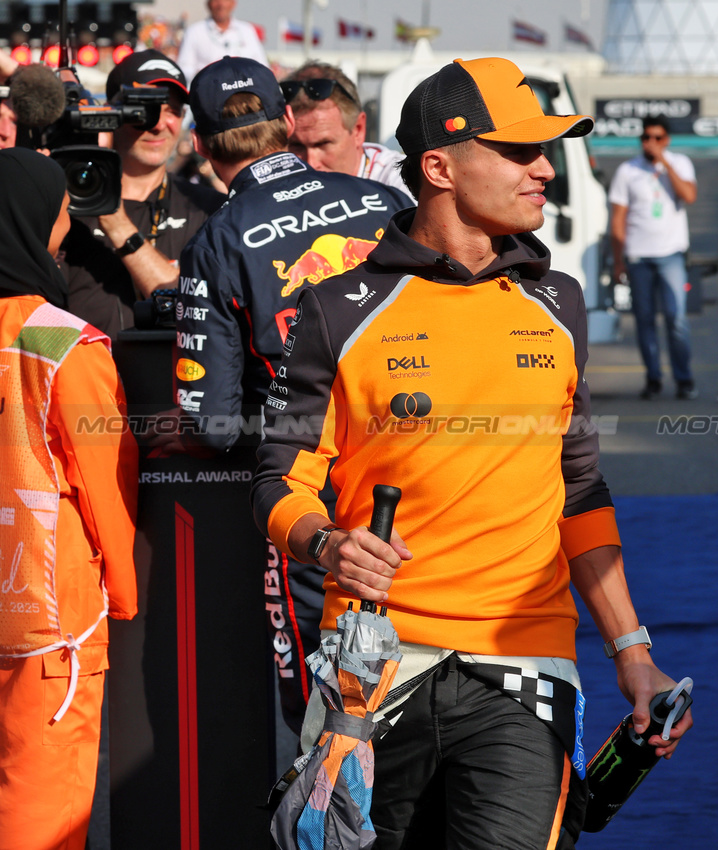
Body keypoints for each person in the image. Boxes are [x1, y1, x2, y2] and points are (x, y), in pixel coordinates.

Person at [252, 56, 692, 849]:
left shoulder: (556, 302)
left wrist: (634, 653)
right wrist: (324, 541)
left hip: (524, 667)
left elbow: (580, 491)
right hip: (372, 667)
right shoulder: (337, 307)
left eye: (544, 151)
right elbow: (278, 481)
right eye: (519, 151)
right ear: (438, 166)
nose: (543, 169)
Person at [170, 56, 411, 732]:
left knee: (327, 719)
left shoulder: (217, 240)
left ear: (199, 145)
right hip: (428, 466)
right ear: (285, 123)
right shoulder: (386, 201)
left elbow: (211, 422)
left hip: (313, 499)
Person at [0, 148, 138, 850]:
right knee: (43, 793)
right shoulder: (60, 337)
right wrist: (123, 585)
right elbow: (103, 473)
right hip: (44, 607)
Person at [59, 50, 226, 340]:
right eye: (143, 110)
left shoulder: (210, 209)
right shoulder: (65, 203)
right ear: (109, 114)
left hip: (174, 381)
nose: (158, 124)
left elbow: (199, 313)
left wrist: (116, 223)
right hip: (85, 381)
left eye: (172, 110)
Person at [608, 115, 698, 400]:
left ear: (666, 140)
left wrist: (666, 164)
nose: (651, 143)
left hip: (671, 253)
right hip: (638, 255)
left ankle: (683, 379)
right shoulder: (627, 171)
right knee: (644, 320)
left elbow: (689, 195)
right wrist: (618, 259)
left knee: (676, 318)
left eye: (658, 138)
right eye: (646, 138)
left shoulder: (680, 163)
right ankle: (653, 377)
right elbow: (618, 218)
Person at [282, 61, 412, 195]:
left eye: (323, 144)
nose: (311, 163)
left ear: (358, 130)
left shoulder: (401, 186)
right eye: (296, 145)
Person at [175, 0, 268, 82]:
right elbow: (184, 68)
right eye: (216, 0)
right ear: (208, 4)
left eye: (225, 0)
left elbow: (262, 66)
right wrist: (205, 74)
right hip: (209, 93)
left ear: (233, 3)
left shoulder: (247, 30)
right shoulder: (194, 31)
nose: (221, 4)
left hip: (243, 95)